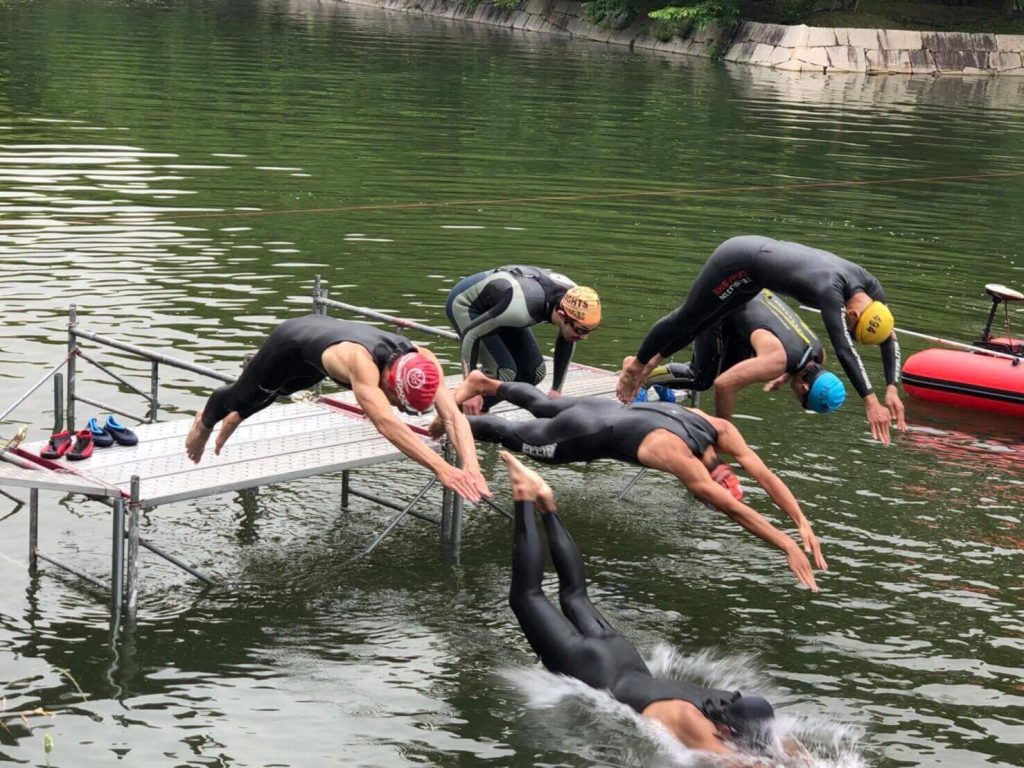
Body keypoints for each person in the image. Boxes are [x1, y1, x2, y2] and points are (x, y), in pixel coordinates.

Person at [501, 451, 779, 756]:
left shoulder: (721, 700)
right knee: (526, 596)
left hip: (623, 655)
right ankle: (524, 495)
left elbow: (780, 750)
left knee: (575, 595)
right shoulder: (699, 728)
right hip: (592, 670)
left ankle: (547, 504)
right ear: (728, 731)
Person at [448, 372, 825, 590]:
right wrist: (785, 545)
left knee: (543, 404)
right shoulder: (681, 459)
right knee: (513, 436)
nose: (709, 498)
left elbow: (767, 477)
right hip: (582, 434)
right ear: (710, 479)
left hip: (605, 409)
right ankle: (443, 421)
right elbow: (735, 510)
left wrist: (801, 521)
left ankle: (484, 383)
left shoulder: (717, 427)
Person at [616, 236, 906, 445]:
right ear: (853, 315)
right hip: (736, 264)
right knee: (689, 319)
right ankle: (635, 368)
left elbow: (888, 336)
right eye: (849, 323)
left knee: (701, 323)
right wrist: (870, 401)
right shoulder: (830, 291)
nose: (844, 321)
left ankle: (649, 367)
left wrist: (891, 388)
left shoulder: (870, 289)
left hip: (755, 282)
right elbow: (844, 348)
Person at [184, 314, 490, 502]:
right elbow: (386, 424)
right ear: (388, 382)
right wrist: (443, 469)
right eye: (398, 401)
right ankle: (206, 422)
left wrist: (472, 468)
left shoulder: (423, 360)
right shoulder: (363, 367)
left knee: (284, 390)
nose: (397, 407)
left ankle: (238, 417)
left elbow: (453, 415)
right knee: (245, 396)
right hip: (291, 342)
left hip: (321, 353)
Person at [641, 290, 846, 419]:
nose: (797, 398)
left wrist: (784, 378)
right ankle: (643, 378)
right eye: (802, 400)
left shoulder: (818, 354)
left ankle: (664, 381)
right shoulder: (775, 361)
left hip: (746, 306)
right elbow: (724, 385)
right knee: (702, 378)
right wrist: (724, 430)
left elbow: (796, 360)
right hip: (721, 304)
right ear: (804, 388)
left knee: (725, 368)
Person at [445, 265, 601, 415]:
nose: (584, 337)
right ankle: (453, 409)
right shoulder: (522, 309)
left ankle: (477, 410)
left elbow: (568, 337)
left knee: (533, 373)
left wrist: (556, 391)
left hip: (502, 305)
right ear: (561, 316)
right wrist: (470, 389)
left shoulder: (576, 298)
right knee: (504, 372)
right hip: (467, 304)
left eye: (590, 331)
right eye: (580, 330)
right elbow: (471, 334)